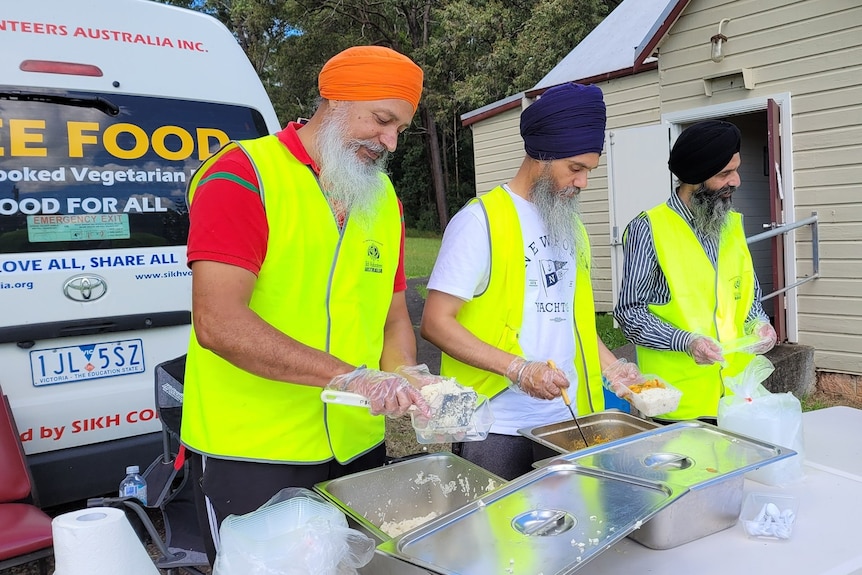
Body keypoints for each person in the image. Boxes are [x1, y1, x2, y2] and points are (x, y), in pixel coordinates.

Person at [180, 45, 430, 561]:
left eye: (399, 129)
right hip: (255, 449)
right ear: (335, 100)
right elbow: (218, 322)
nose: (390, 141)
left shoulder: (383, 198)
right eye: (382, 120)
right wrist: (352, 377)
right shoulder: (243, 174)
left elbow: (392, 317)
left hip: (357, 444)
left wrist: (405, 375)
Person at [420, 83, 641, 480]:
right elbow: (436, 322)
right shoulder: (480, 221)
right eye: (575, 168)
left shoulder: (571, 225)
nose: (583, 182)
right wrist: (519, 369)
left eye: (588, 170)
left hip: (566, 420)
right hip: (495, 427)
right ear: (541, 156)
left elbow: (569, 321)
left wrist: (613, 367)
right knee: (496, 536)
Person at [614, 119, 777, 424]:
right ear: (696, 178)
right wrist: (687, 342)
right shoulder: (648, 228)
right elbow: (630, 313)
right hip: (676, 406)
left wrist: (760, 322)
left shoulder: (731, 224)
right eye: (724, 174)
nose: (736, 181)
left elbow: (748, 296)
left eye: (736, 170)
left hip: (737, 399)